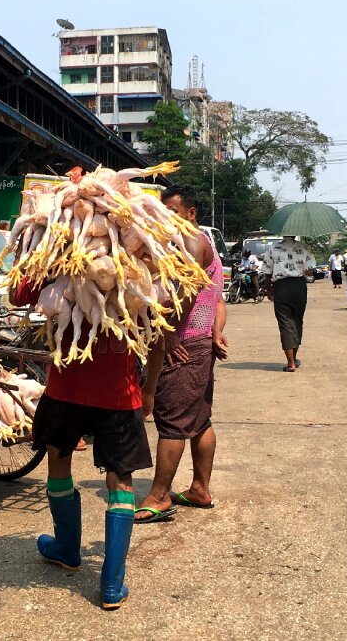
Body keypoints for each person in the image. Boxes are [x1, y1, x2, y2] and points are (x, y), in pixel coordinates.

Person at [9, 276, 155, 610]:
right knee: (121, 478)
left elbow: (18, 295)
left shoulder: (60, 258)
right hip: (119, 390)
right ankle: (111, 584)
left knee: (59, 462)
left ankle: (67, 549)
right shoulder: (138, 262)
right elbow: (163, 319)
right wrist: (151, 387)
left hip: (67, 389)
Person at [136, 185, 229, 524]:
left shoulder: (191, 242)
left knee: (172, 422)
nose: (166, 218)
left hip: (184, 345)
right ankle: (199, 490)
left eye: (172, 211)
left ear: (191, 214)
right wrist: (215, 331)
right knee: (199, 420)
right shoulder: (204, 244)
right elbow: (216, 299)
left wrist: (170, 332)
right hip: (199, 342)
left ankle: (159, 496)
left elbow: (187, 291)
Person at [264, 235, 315, 372]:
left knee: (285, 323)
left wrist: (269, 289)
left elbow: (267, 271)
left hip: (281, 287)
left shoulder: (273, 248)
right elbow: (310, 271)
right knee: (297, 321)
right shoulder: (305, 247)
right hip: (299, 286)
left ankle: (290, 363)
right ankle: (294, 357)